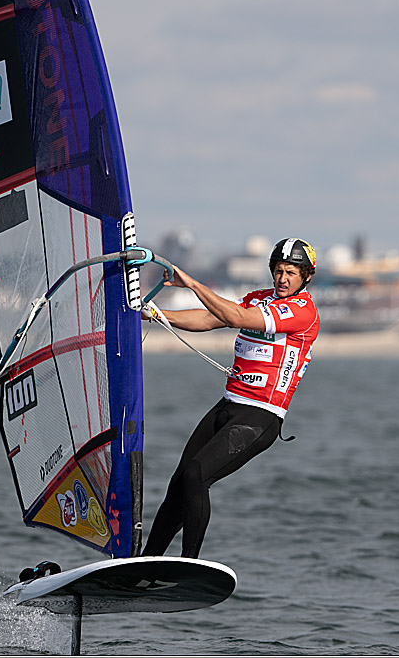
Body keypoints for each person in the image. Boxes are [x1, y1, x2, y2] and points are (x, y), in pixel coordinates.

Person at [141, 238, 320, 558]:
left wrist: (192, 284)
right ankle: (145, 561)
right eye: (278, 270)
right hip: (227, 405)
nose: (282, 278)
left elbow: (238, 319)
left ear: (305, 277)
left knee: (198, 473)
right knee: (179, 484)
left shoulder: (303, 311)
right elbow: (211, 318)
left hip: (260, 416)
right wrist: (152, 312)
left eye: (291, 272)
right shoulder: (258, 298)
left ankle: (188, 564)